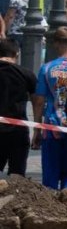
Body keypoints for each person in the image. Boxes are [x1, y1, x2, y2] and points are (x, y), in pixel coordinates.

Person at [36, 26, 67, 192]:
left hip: (51, 127)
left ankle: (48, 211)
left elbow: (39, 101)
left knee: (50, 175)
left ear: (56, 44)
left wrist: (37, 129)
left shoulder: (47, 68)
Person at [0, 40, 30, 177]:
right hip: (18, 129)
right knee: (17, 175)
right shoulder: (25, 73)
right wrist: (38, 132)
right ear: (16, 54)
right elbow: (38, 102)